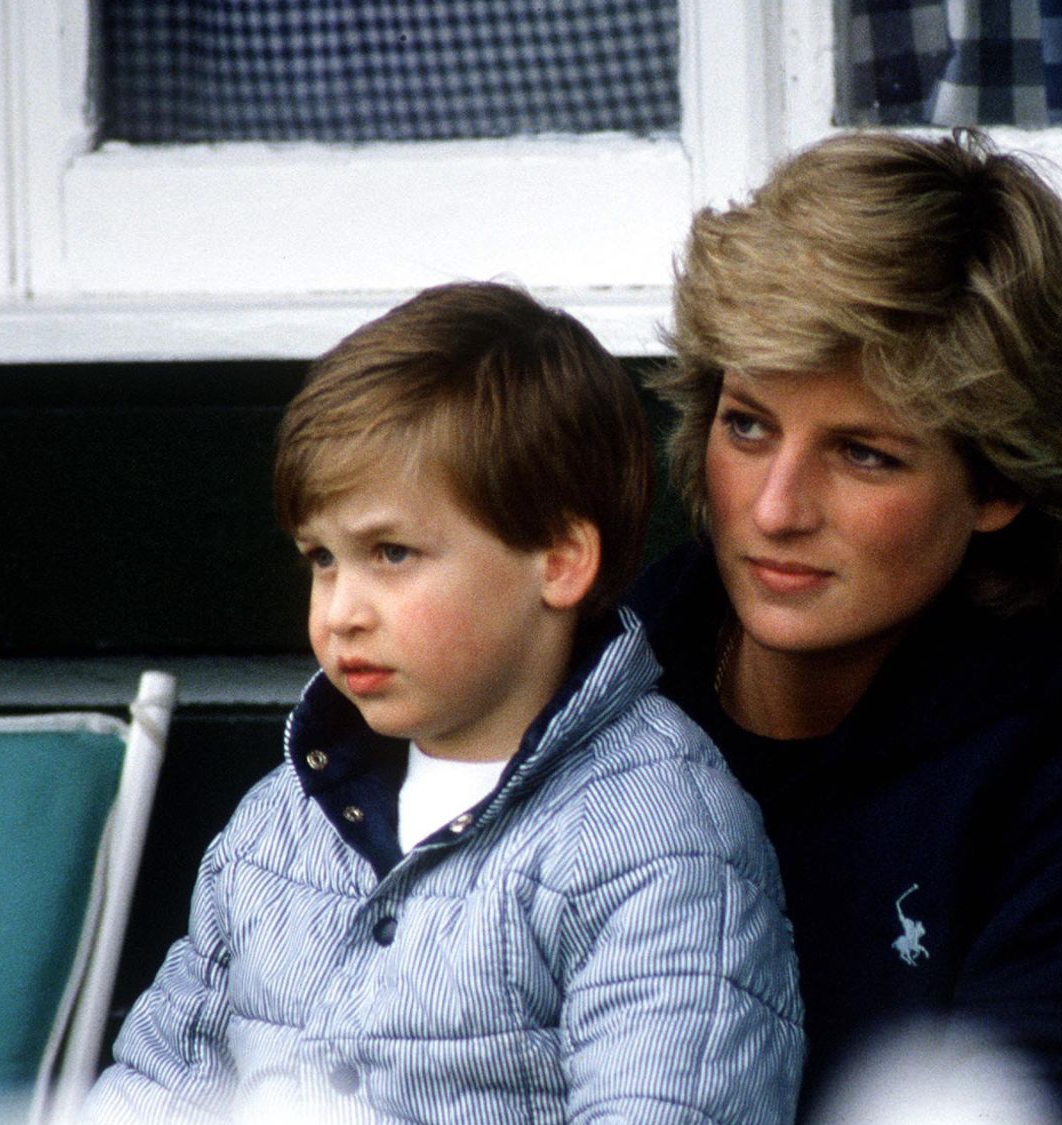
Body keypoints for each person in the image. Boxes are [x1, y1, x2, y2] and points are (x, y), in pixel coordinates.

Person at [628, 129, 1062, 1123]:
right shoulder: (612, 669)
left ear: (999, 478)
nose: (772, 508)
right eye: (746, 425)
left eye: (862, 453)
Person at [86, 282, 804, 1124]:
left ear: (560, 560)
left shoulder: (656, 840)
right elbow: (159, 1084)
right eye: (322, 558)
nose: (342, 608)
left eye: (390, 552)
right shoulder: (279, 825)